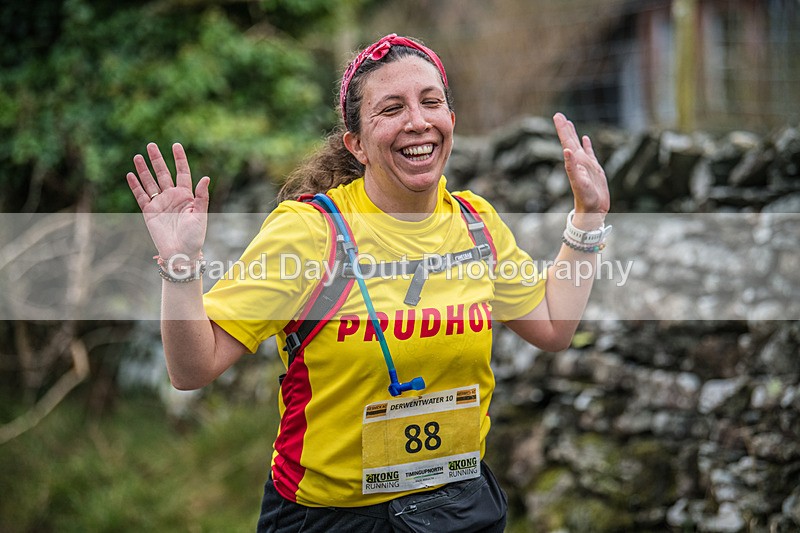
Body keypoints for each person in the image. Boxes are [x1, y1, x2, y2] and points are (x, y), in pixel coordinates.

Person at [126, 33, 610, 532]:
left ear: (451, 120)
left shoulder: (475, 224)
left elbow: (553, 326)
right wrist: (180, 263)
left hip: (458, 509)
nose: (417, 122)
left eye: (431, 102)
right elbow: (192, 368)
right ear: (356, 143)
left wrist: (588, 217)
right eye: (391, 109)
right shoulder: (309, 233)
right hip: (332, 519)